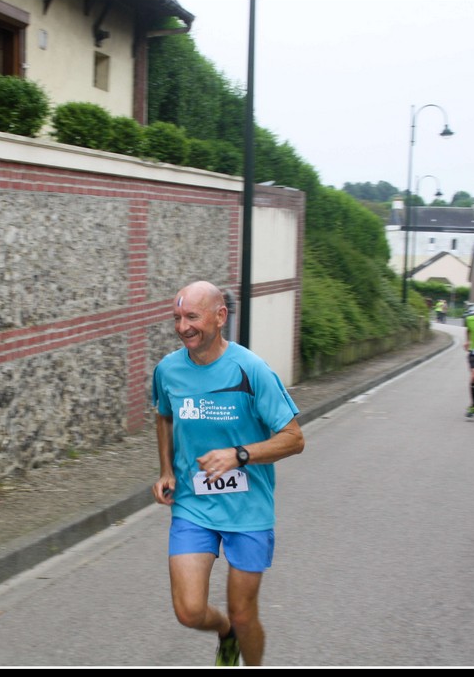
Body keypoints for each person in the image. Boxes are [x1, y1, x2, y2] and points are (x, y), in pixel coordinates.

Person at [151, 281, 305, 667]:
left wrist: (240, 455)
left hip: (248, 509)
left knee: (243, 612)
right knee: (189, 611)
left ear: (220, 317)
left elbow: (294, 439)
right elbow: (164, 415)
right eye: (177, 318)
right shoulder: (168, 370)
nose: (182, 327)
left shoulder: (251, 370)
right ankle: (225, 632)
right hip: (193, 505)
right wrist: (166, 469)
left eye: (192, 317)